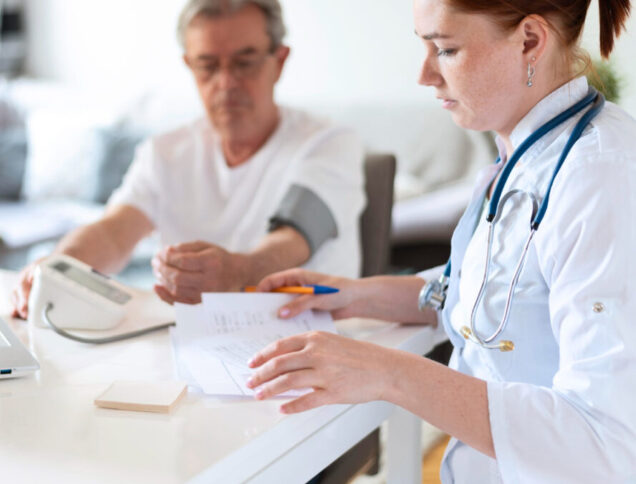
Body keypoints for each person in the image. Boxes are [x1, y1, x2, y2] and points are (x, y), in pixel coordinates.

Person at [246, 0, 636, 482]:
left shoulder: (601, 179)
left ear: (530, 41)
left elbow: (602, 442)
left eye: (446, 49)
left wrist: (390, 373)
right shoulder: (524, 153)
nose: (425, 74)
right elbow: (494, 293)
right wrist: (353, 294)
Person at [12, 0, 366, 318]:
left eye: (245, 63)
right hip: (200, 342)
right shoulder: (166, 152)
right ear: (189, 66)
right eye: (207, 65)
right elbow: (115, 232)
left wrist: (236, 272)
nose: (226, 82)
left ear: (279, 60)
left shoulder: (329, 143)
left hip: (315, 339)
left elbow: (294, 239)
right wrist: (59, 266)